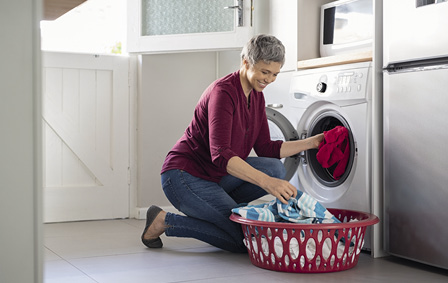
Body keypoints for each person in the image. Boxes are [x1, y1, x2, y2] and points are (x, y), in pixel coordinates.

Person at [141, 34, 324, 253]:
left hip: (216, 177)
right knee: (245, 239)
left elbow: (266, 148)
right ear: (246, 63)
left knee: (275, 168)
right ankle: (165, 220)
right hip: (184, 176)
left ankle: (216, 211)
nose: (269, 79)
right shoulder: (223, 92)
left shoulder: (257, 96)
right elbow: (221, 155)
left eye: (275, 74)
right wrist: (267, 183)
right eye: (264, 72)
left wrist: (312, 142)